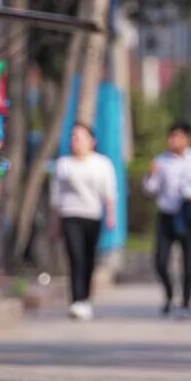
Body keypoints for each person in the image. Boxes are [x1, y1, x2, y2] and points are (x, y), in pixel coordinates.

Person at [145, 122, 191, 318]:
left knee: (189, 262)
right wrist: (151, 174)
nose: (172, 141)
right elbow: (150, 189)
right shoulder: (161, 161)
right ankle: (169, 293)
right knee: (160, 260)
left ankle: (186, 302)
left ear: (187, 139)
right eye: (170, 137)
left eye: (177, 137)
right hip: (167, 215)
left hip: (189, 217)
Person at [50, 122, 118, 321]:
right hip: (70, 214)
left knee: (88, 259)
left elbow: (109, 192)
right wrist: (55, 224)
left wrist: (111, 215)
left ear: (91, 141)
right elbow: (55, 198)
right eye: (73, 136)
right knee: (75, 257)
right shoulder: (63, 164)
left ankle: (86, 299)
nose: (76, 141)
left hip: (92, 215)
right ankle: (76, 300)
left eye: (80, 137)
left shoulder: (102, 164)